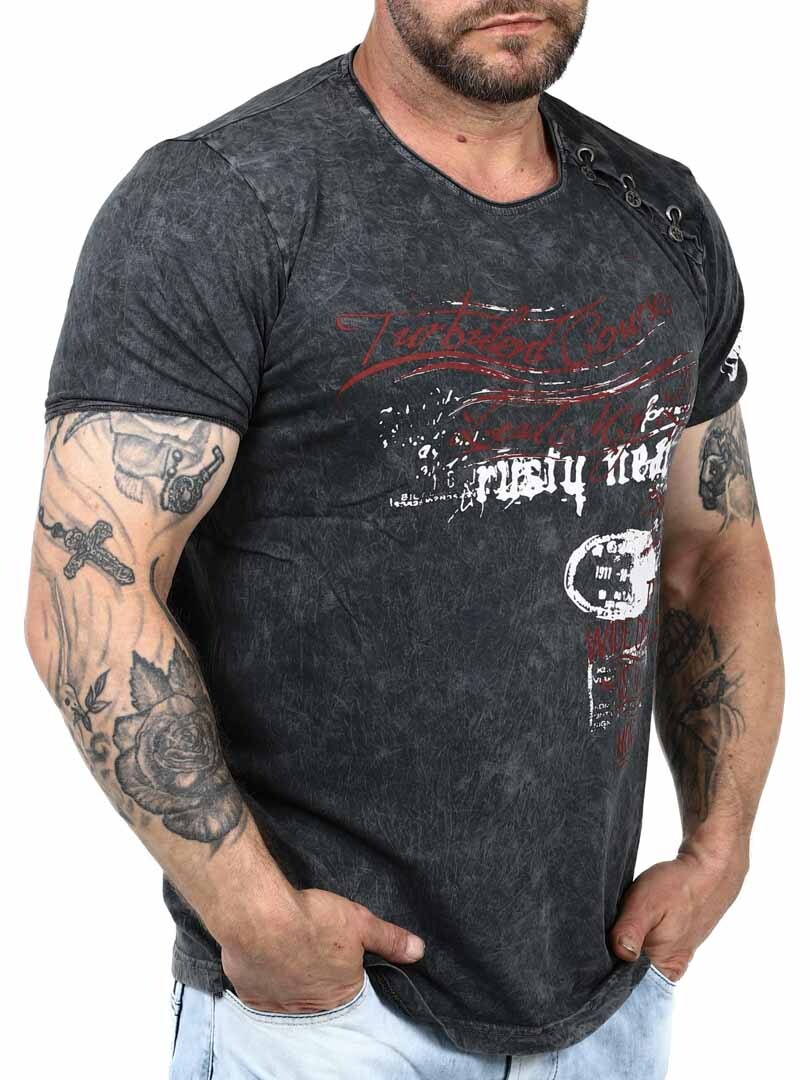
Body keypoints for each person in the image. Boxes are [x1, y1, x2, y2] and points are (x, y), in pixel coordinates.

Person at [25, 2, 784, 1077]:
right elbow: (87, 585)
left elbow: (712, 547)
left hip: (607, 998)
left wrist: (720, 846)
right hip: (330, 1016)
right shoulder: (225, 202)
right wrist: (256, 920)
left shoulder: (659, 212)